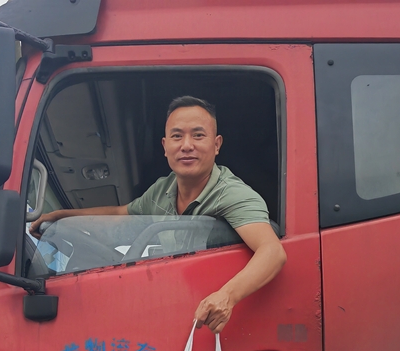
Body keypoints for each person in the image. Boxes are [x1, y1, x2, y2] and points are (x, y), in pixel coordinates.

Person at [30, 96, 286, 333]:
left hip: (211, 319)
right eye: (177, 136)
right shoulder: (163, 189)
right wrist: (63, 217)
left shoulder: (232, 194)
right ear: (165, 146)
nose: (187, 145)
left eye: (198, 135)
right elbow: (122, 213)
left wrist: (227, 296)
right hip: (172, 303)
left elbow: (273, 252)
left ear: (216, 144)